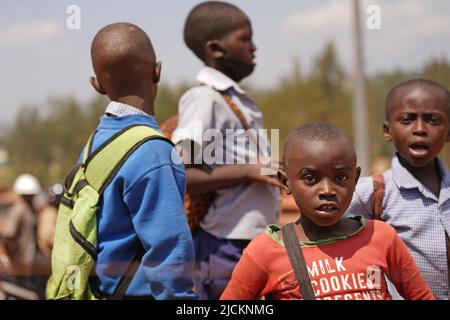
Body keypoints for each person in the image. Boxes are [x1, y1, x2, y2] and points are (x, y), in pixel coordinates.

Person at [49, 23, 196, 300]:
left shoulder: (97, 141)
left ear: (96, 84)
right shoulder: (153, 151)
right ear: (157, 70)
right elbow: (169, 251)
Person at [221, 124, 434, 300]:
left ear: (355, 179)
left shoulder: (381, 237)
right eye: (310, 179)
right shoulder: (265, 251)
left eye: (340, 178)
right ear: (285, 183)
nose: (327, 191)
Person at [172, 1, 280, 299]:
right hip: (226, 245)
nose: (254, 48)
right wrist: (250, 171)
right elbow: (183, 174)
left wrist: (275, 169)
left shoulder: (234, 100)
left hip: (252, 240)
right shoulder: (204, 99)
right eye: (245, 39)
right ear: (216, 49)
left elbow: (243, 159)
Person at [347, 79, 450, 300]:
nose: (420, 129)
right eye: (407, 120)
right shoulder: (372, 193)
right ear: (387, 130)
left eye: (433, 120)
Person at [0, 174, 41, 299]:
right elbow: (7, 236)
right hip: (19, 267)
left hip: (28, 266)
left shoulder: (30, 209)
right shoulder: (19, 210)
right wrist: (11, 260)